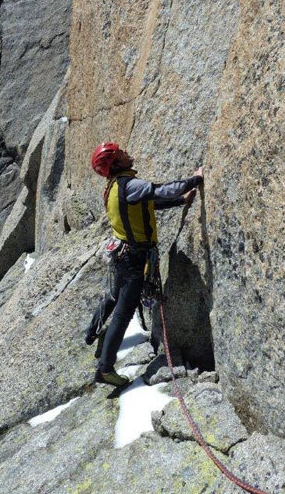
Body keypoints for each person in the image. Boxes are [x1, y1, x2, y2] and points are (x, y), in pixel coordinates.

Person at [86, 142, 204, 387]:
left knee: (113, 297)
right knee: (123, 313)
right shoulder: (130, 185)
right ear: (116, 163)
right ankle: (105, 368)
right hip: (134, 258)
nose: (127, 153)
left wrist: (180, 202)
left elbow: (146, 204)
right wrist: (195, 179)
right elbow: (159, 192)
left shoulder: (113, 188)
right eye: (121, 154)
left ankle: (93, 334)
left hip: (122, 254)